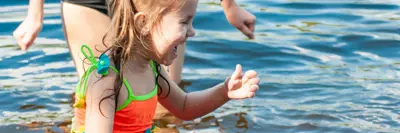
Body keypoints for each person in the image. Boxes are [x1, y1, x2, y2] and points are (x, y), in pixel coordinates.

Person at [70, 0, 260, 132]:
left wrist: (224, 92)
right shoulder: (106, 81)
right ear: (143, 23)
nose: (192, 31)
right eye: (184, 21)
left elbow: (184, 107)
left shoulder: (153, 70)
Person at [13, 0, 256, 84]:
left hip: (158, 5)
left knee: (166, 107)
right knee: (101, 90)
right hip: (89, 4)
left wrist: (230, 6)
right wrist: (35, 15)